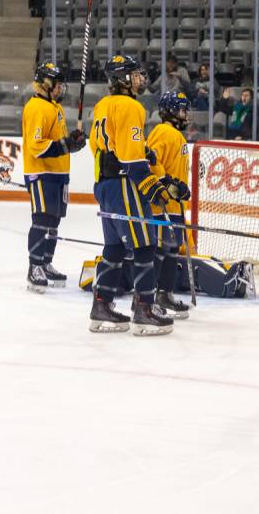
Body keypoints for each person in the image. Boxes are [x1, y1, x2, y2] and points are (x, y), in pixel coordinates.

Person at [89, 54, 174, 336]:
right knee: (145, 245)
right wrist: (153, 187)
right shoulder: (130, 106)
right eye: (134, 74)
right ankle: (144, 310)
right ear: (122, 79)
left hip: (104, 183)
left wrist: (143, 155)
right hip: (125, 184)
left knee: (114, 247)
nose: (140, 79)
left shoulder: (103, 104)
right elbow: (130, 158)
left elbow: (101, 147)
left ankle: (101, 305)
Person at [21, 62, 87, 293]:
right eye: (57, 85)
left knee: (54, 221)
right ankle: (34, 266)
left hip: (59, 173)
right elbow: (36, 145)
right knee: (41, 219)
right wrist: (64, 145)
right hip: (42, 173)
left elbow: (59, 142)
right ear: (46, 84)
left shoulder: (54, 107)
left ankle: (46, 262)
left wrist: (72, 142)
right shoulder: (37, 107)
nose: (61, 89)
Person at [146, 90, 193, 319]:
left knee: (172, 250)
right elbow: (152, 162)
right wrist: (168, 184)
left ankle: (164, 294)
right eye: (183, 110)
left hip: (174, 207)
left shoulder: (177, 135)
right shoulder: (163, 132)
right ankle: (148, 297)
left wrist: (180, 187)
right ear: (171, 111)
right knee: (160, 250)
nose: (186, 115)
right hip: (160, 205)